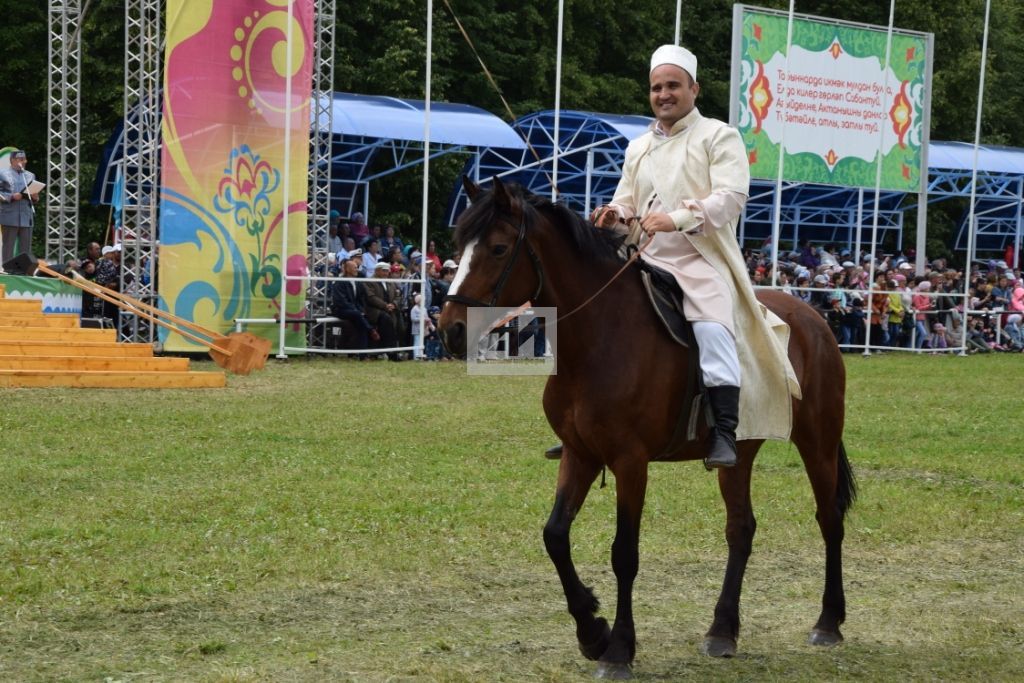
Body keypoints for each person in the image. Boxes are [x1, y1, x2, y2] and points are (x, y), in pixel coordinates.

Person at [556, 44, 800, 469]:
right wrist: (613, 214)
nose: (663, 94)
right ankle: (582, 427)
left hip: (700, 258)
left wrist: (678, 217)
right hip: (642, 257)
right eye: (656, 88)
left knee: (713, 331)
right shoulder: (639, 147)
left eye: (672, 86)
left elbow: (731, 197)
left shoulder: (719, 136)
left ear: (693, 88)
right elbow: (626, 202)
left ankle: (724, 431)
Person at [0, 150, 41, 264]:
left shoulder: (30, 175)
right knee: (9, 246)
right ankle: (7, 270)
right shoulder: (2, 173)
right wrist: (12, 197)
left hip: (26, 216)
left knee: (25, 248)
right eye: (20, 159)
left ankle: (23, 271)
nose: (23, 162)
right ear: (12, 160)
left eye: (25, 159)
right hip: (9, 215)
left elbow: (34, 195)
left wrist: (35, 197)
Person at [330, 257, 378, 353]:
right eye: (355, 268)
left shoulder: (358, 282)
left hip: (355, 311)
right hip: (341, 310)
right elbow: (341, 301)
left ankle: (363, 355)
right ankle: (371, 330)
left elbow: (360, 300)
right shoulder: (339, 282)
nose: (357, 270)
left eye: (357, 267)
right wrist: (356, 310)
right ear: (347, 269)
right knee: (358, 316)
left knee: (361, 323)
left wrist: (361, 310)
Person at [363, 261, 403, 361]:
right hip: (374, 311)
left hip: (390, 310)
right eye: (384, 271)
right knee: (386, 319)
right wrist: (385, 306)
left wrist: (394, 304)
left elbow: (398, 295)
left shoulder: (390, 282)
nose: (386, 273)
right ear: (377, 271)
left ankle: (400, 350)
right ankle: (392, 352)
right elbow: (371, 298)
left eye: (387, 271)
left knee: (400, 322)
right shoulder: (369, 281)